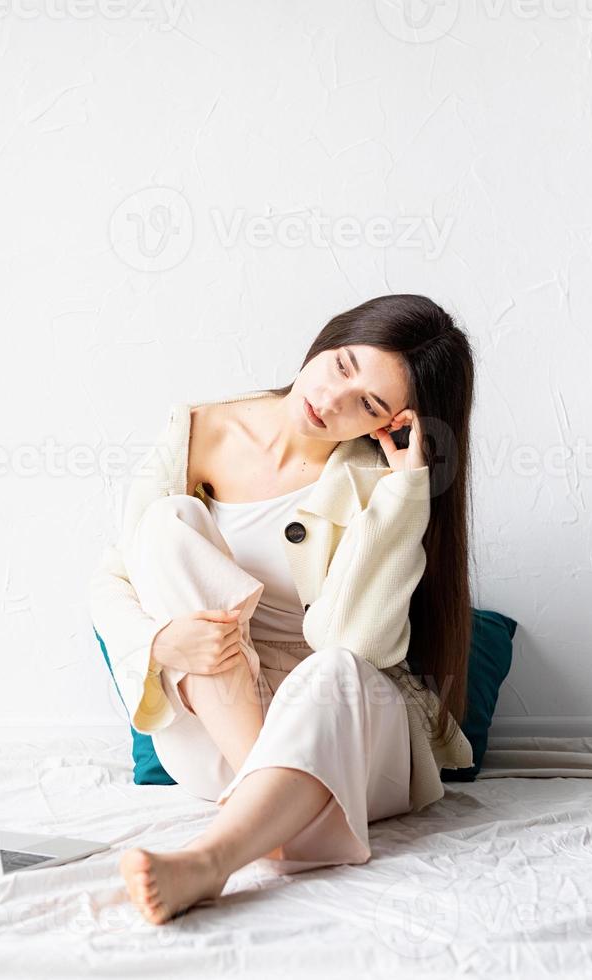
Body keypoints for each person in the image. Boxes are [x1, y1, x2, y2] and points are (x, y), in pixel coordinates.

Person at [88, 294, 477, 924]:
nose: (331, 401)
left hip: (341, 725)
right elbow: (113, 578)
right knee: (167, 522)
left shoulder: (377, 477)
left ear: (395, 421)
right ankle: (272, 794)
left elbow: (353, 641)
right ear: (330, 338)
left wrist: (406, 494)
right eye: (344, 365)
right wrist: (161, 645)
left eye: (369, 405)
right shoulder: (193, 430)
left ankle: (211, 860)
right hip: (218, 719)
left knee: (339, 669)